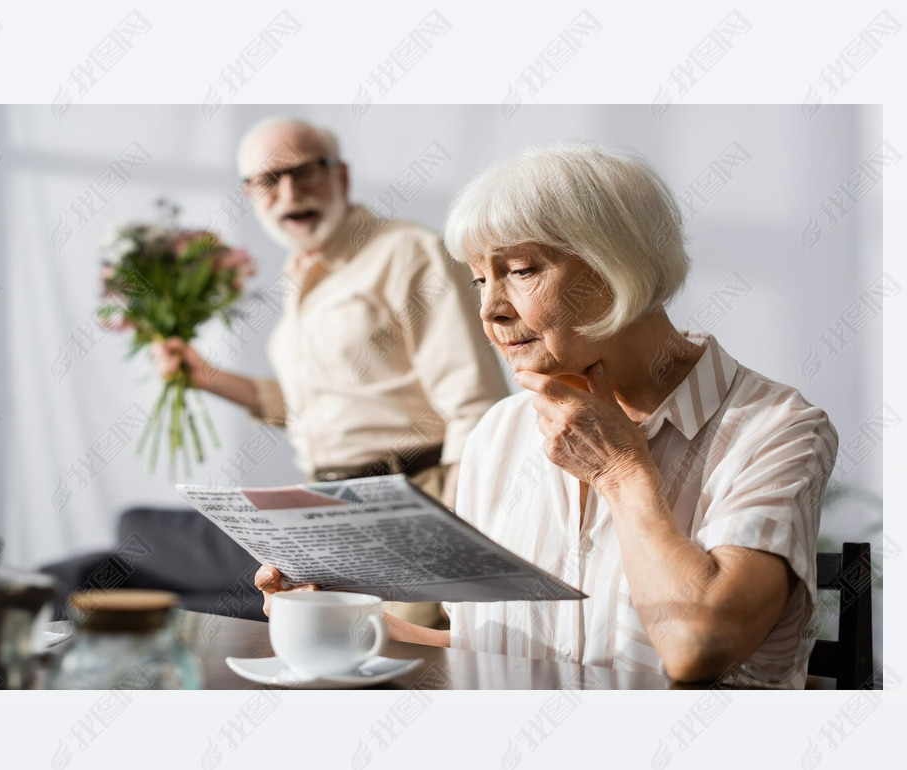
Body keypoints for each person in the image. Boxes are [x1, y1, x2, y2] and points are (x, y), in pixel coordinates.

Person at [273, 141, 835, 686]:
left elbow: (697, 648)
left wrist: (621, 473)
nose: (490, 310)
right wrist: (345, 621)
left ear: (621, 265)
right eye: (479, 279)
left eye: (519, 270)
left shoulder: (777, 429)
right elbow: (492, 652)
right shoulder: (499, 431)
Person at [154, 117, 506, 627]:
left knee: (405, 668)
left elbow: (475, 400)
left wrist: (452, 526)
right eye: (269, 180)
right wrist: (206, 376)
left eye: (306, 172)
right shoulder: (298, 275)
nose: (291, 192)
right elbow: (314, 406)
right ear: (250, 194)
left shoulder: (408, 251)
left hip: (415, 497)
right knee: (328, 676)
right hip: (325, 510)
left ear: (341, 177)